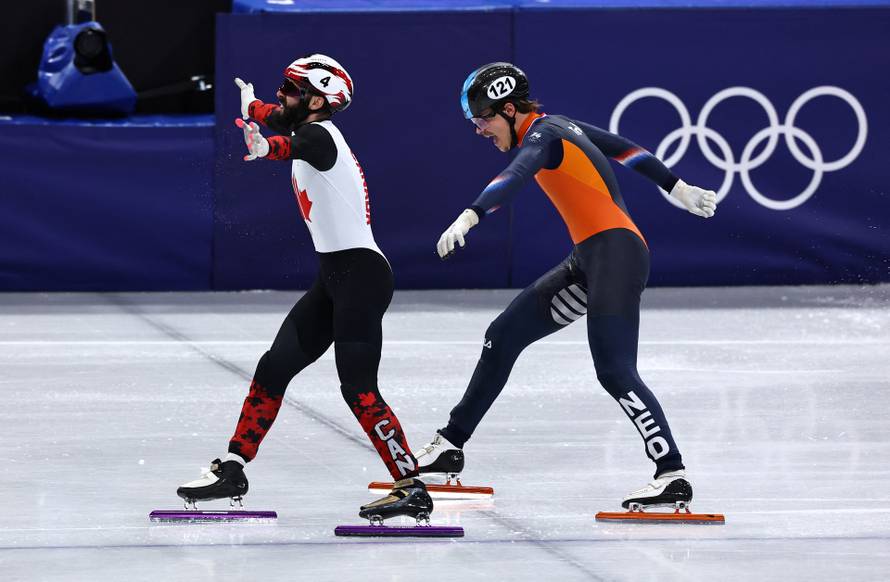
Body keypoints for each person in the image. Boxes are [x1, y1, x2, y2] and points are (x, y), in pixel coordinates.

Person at [416, 62, 717, 510]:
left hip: (616, 254)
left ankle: (671, 473)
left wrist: (472, 213)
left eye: (483, 121)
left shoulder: (545, 135)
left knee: (615, 371)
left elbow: (516, 175)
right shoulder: (561, 125)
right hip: (588, 259)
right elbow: (627, 149)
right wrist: (675, 186)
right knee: (502, 336)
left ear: (511, 109)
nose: (479, 131)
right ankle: (450, 445)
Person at [176, 54, 431, 524]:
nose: (281, 95)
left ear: (317, 100)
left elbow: (286, 143)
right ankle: (233, 468)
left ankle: (411, 485)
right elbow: (275, 117)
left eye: (290, 88)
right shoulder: (304, 121)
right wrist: (251, 105)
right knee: (273, 368)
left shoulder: (319, 136)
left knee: (358, 388)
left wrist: (263, 149)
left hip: (361, 278)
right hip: (334, 277)